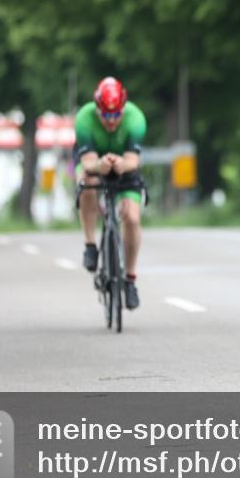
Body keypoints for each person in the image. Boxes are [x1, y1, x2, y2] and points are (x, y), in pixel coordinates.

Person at [74, 77, 146, 310]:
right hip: (94, 162)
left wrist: (121, 165)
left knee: (132, 218)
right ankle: (90, 245)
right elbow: (87, 162)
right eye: (106, 115)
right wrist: (100, 165)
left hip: (124, 165)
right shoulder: (84, 119)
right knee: (87, 182)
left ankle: (130, 280)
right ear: (97, 110)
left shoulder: (135, 118)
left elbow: (133, 160)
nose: (112, 121)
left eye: (116, 115)